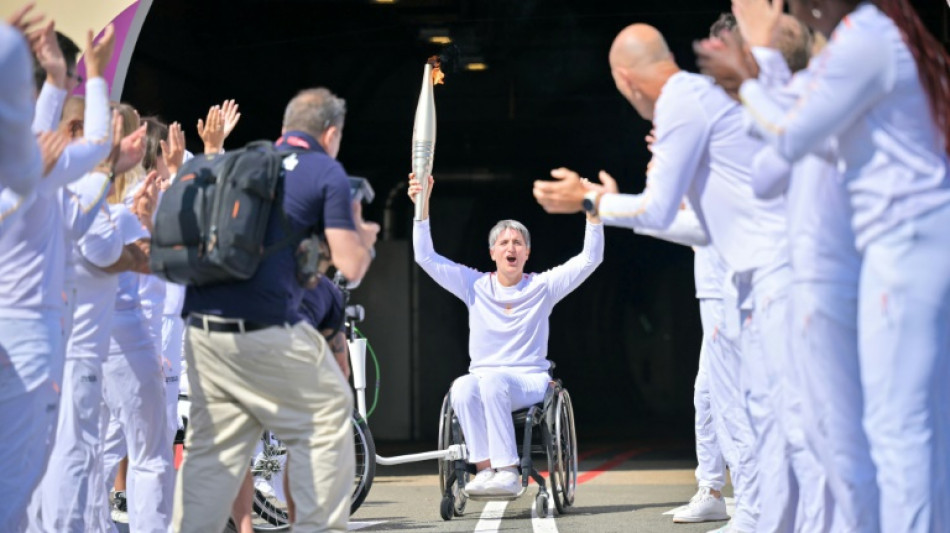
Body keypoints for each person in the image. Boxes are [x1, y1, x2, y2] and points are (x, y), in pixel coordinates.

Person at [532, 20, 827, 533]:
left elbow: (662, 209)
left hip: (765, 282)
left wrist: (591, 199)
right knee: (744, 407)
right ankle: (754, 510)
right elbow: (693, 216)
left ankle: (764, 514)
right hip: (753, 282)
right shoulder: (712, 103)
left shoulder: (683, 101)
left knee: (762, 412)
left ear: (625, 80)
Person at [695, 0, 950, 531]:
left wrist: (751, 73)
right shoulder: (856, 42)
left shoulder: (864, 37)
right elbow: (773, 160)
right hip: (890, 252)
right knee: (883, 431)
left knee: (896, 432)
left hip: (901, 247)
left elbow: (789, 134)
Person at [175, 87, 375, 533]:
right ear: (331, 134)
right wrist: (364, 232)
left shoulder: (240, 161)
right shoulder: (326, 171)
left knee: (211, 457)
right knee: (329, 413)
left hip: (202, 328)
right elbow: (349, 262)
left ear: (285, 129)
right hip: (265, 326)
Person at [410, 173, 603, 497]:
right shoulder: (474, 285)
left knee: (494, 383)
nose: (510, 247)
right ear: (492, 253)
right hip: (486, 378)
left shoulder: (542, 287)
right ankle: (485, 470)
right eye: (504, 243)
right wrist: (422, 204)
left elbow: (590, 259)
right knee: (462, 387)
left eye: (517, 243)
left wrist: (592, 212)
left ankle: (509, 471)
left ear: (527, 253)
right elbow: (426, 257)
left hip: (529, 380)